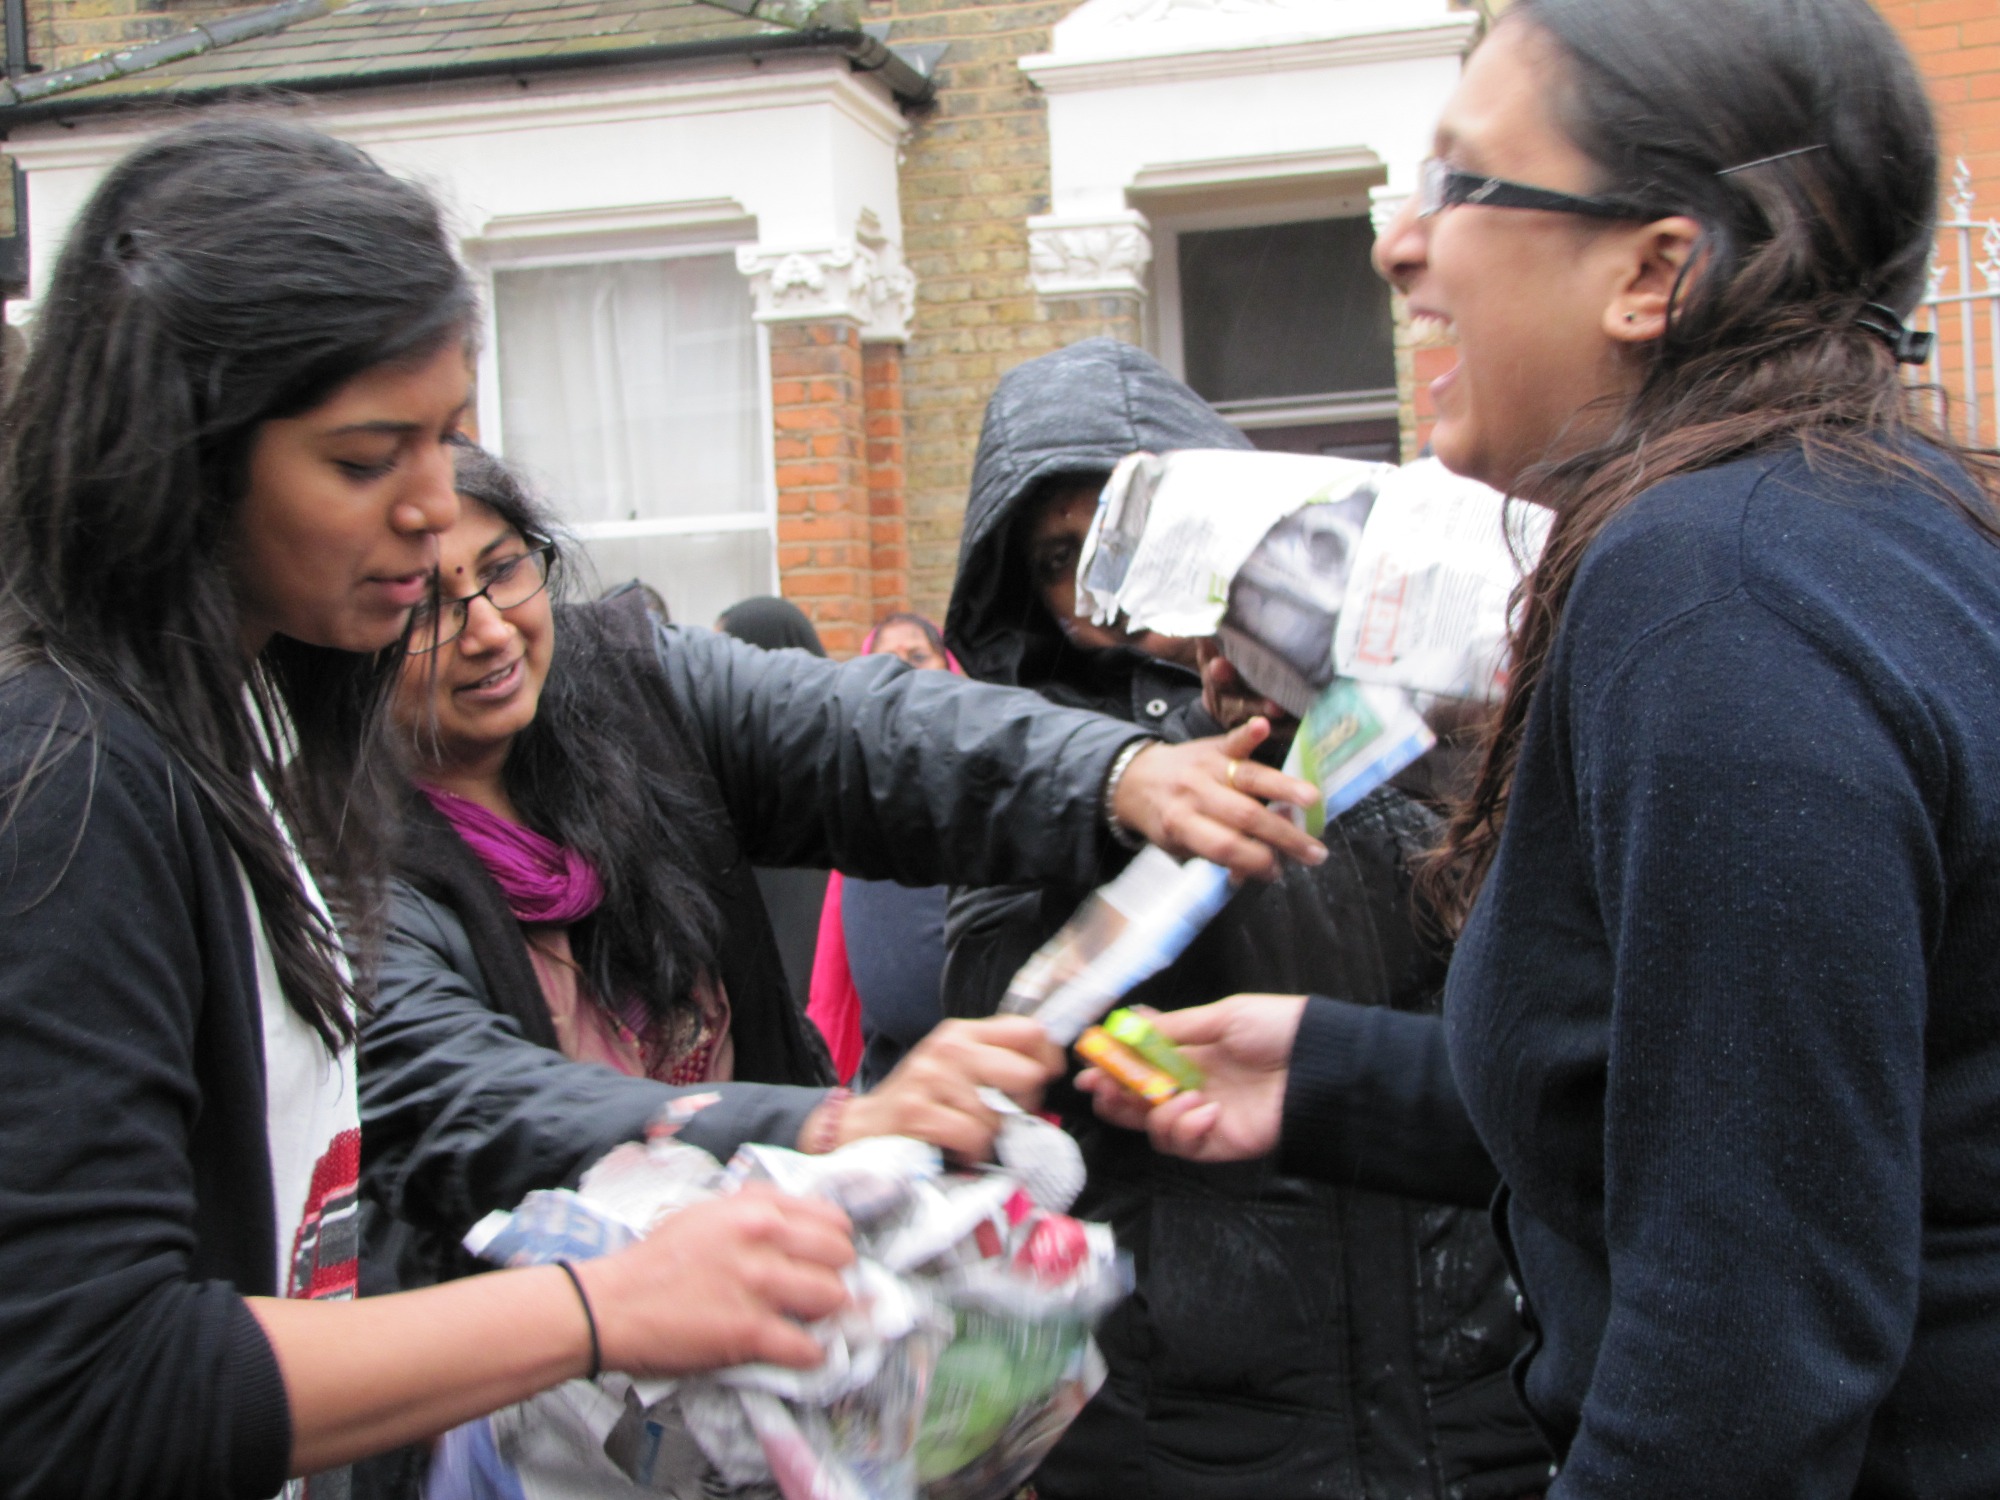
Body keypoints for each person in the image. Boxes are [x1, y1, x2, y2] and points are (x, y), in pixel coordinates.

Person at [1084, 3, 2000, 1496]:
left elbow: (1748, 1349)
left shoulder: (1718, 585)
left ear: (1653, 272)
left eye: (1461, 183)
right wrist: (1333, 1075)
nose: (1397, 243)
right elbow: (1757, 1118)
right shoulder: (1856, 525)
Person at [0, 119, 856, 1499]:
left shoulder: (266, 747)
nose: (428, 510)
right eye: (362, 458)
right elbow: (87, 1383)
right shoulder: (69, 788)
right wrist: (601, 1308)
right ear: (181, 466)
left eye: (452, 438)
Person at [943, 338, 1547, 1500]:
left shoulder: (1382, 706)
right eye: (1067, 558)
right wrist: (1135, 785)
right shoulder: (1019, 775)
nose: (1115, 591)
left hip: (1464, 1382)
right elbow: (1003, 1008)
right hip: (1199, 1422)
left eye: (1142, 527)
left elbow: (1521, 959)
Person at [805, 612, 961, 1085]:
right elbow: (910, 1000)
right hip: (909, 1086)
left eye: (918, 657)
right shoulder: (868, 795)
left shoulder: (995, 774)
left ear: (949, 665)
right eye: (885, 661)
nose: (905, 673)